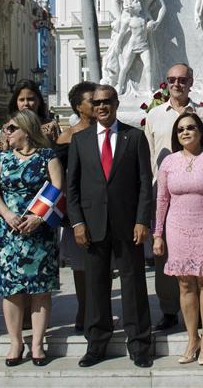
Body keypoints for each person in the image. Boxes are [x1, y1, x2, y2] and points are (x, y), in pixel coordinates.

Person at [65, 85, 155, 368]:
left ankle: (139, 343)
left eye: (107, 101)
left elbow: (144, 185)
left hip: (128, 225)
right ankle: (96, 343)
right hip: (92, 226)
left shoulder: (134, 137)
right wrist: (77, 222)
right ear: (91, 107)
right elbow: (73, 188)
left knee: (134, 284)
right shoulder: (80, 140)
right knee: (95, 286)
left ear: (116, 103)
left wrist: (142, 220)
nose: (102, 106)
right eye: (97, 102)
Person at [153, 111, 203, 365]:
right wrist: (157, 234)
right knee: (185, 284)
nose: (186, 132)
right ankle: (192, 338)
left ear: (201, 131)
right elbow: (162, 199)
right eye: (181, 129)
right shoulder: (169, 162)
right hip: (176, 227)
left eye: (191, 127)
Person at [0, 110, 64, 367]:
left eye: (10, 129)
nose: (5, 134)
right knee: (12, 290)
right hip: (9, 232)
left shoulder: (46, 156)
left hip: (38, 231)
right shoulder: (4, 158)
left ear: (26, 130)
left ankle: (38, 343)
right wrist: (7, 214)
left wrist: (38, 218)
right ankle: (15, 342)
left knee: (40, 289)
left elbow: (56, 189)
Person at [145, 62, 203, 331]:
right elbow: (151, 154)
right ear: (166, 82)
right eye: (172, 79)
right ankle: (168, 308)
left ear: (191, 82)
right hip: (165, 192)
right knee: (165, 253)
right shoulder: (154, 116)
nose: (177, 84)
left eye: (183, 80)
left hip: (199, 194)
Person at [56, 81, 98, 331]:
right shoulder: (68, 136)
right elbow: (59, 177)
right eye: (92, 101)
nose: (98, 104)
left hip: (105, 209)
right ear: (79, 107)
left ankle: (98, 308)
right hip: (78, 210)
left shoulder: (109, 131)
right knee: (81, 266)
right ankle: (84, 309)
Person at [8, 79, 60, 144]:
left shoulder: (51, 126)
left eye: (30, 99)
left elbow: (59, 152)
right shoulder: (9, 128)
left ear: (39, 101)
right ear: (16, 102)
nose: (26, 103)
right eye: (21, 100)